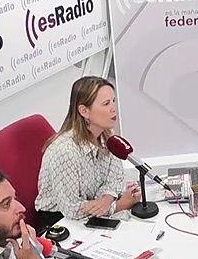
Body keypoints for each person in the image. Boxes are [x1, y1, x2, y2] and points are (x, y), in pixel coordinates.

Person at [35, 76, 140, 226]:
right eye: (106, 104)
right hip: (59, 221)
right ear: (84, 111)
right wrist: (118, 206)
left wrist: (107, 199)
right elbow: (71, 208)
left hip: (91, 208)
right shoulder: (65, 151)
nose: (113, 108)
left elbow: (115, 178)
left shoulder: (107, 136)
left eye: (113, 101)